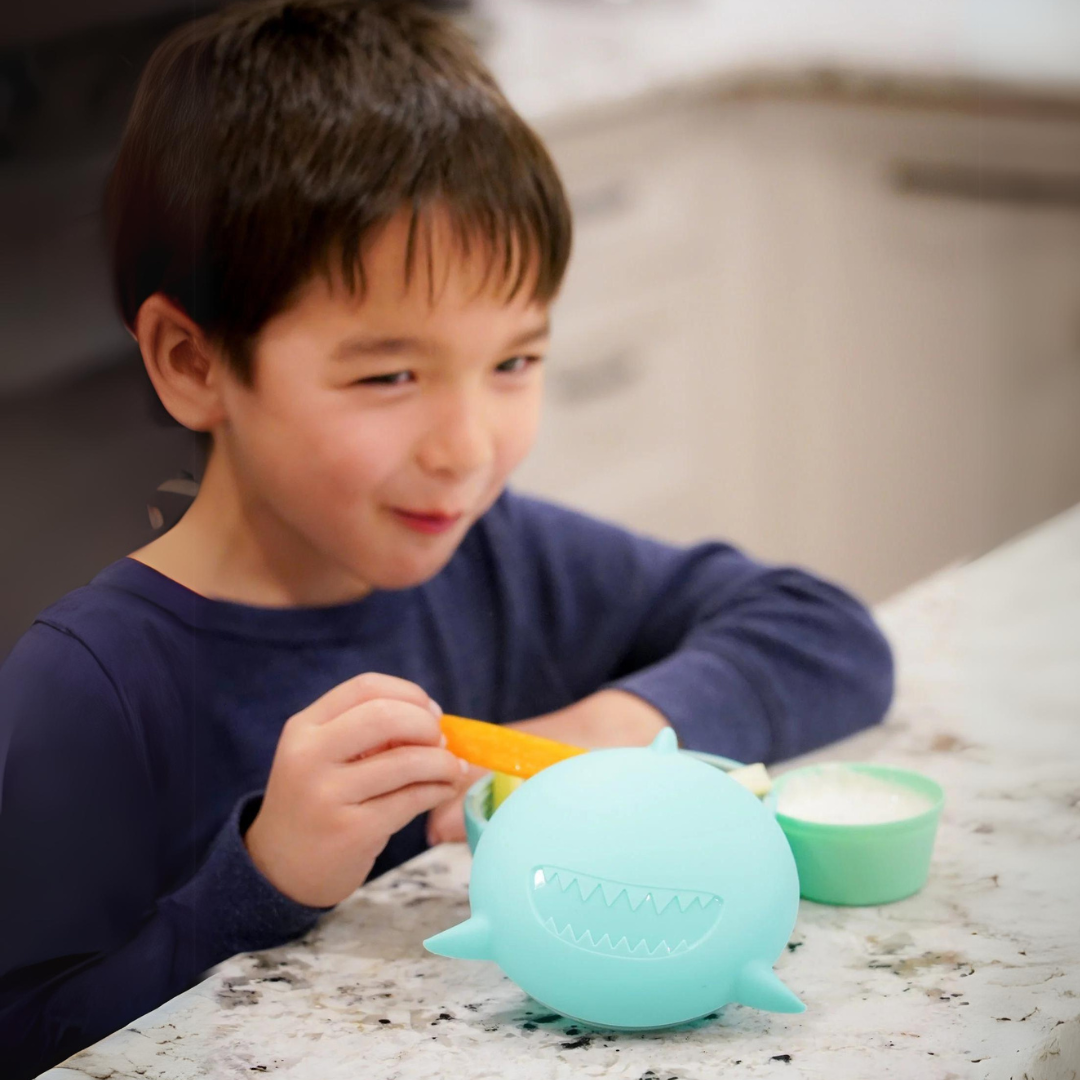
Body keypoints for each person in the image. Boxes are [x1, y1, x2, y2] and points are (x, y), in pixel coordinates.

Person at [0, 0, 894, 1073]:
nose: (468, 451)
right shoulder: (89, 686)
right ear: (194, 363)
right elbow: (27, 1035)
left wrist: (605, 729)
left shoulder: (503, 557)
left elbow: (824, 630)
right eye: (389, 375)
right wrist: (262, 881)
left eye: (514, 362)